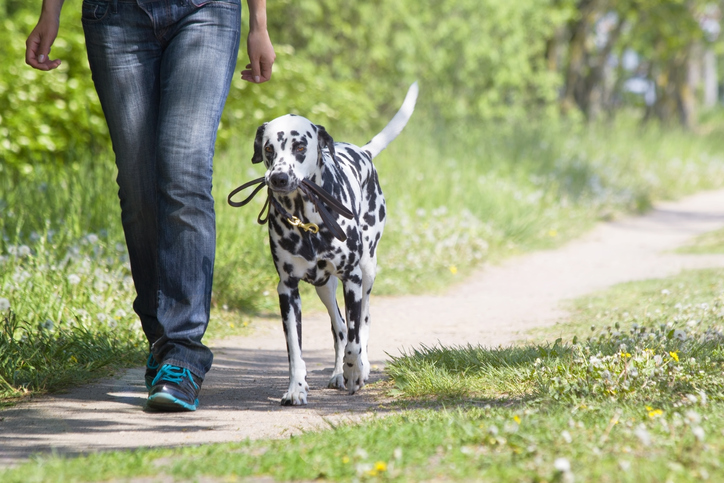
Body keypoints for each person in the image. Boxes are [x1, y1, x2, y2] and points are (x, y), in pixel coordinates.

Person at [26, 0, 276, 412]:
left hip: (206, 11)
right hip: (115, 16)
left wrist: (259, 22)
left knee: (184, 169)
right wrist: (50, 11)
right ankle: (161, 341)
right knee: (138, 184)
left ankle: (182, 354)